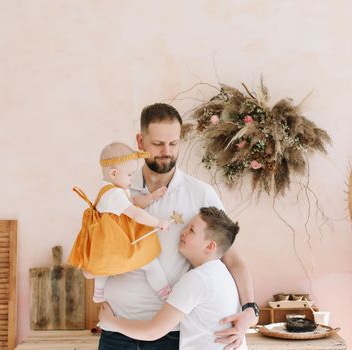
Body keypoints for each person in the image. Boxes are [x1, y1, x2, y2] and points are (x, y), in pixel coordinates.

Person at [99, 103, 258, 350]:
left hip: (171, 335)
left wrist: (251, 309)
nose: (166, 151)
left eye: (173, 144)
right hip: (115, 331)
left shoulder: (200, 194)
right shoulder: (117, 192)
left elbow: (233, 259)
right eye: (158, 144)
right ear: (140, 141)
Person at [99, 207, 248, 350]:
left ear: (210, 247)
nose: (183, 232)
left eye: (192, 231)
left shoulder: (198, 280)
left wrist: (110, 321)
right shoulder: (220, 274)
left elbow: (153, 331)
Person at [68, 142, 172, 302]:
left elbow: (134, 202)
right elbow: (136, 213)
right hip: (119, 241)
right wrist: (158, 223)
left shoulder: (110, 190)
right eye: (130, 175)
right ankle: (165, 293)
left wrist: (150, 198)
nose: (132, 179)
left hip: (109, 243)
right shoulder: (114, 195)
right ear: (114, 173)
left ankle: (99, 292)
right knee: (150, 260)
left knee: (105, 266)